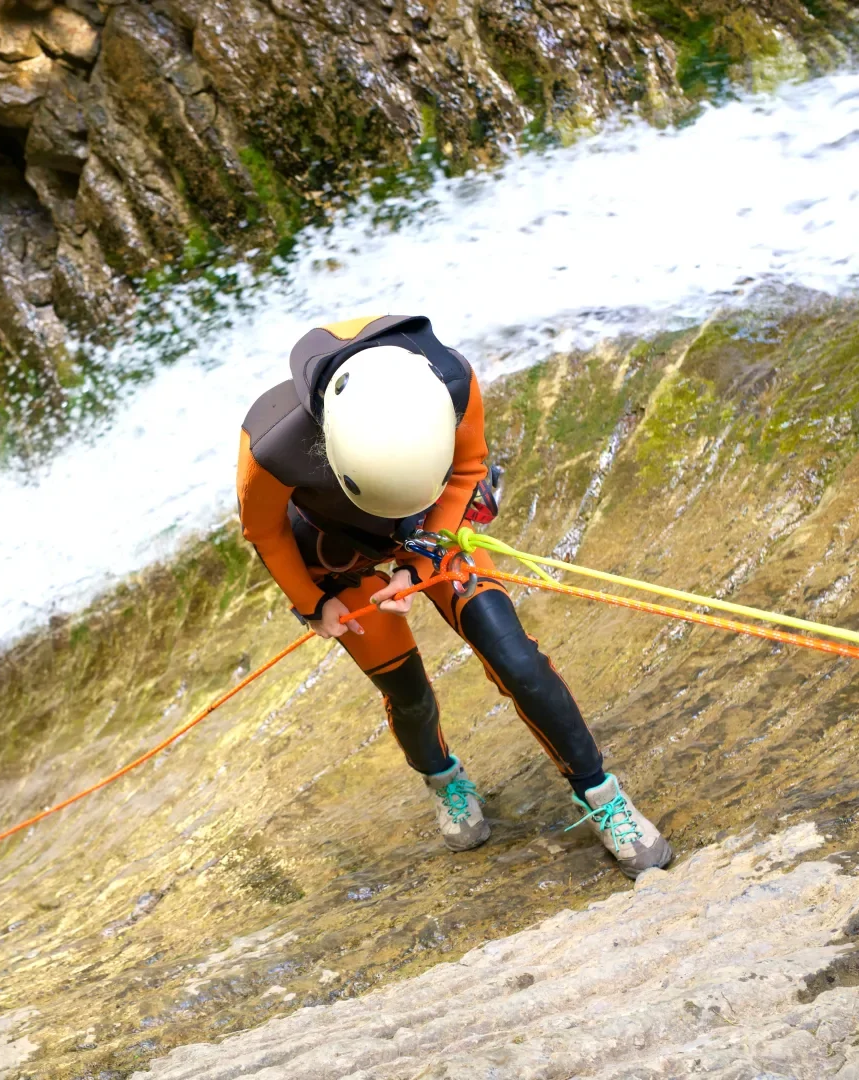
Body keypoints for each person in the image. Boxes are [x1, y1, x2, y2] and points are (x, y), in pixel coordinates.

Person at [235, 314, 672, 877]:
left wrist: (421, 557)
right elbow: (264, 530)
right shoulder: (271, 443)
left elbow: (466, 466)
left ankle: (601, 796)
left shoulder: (449, 379)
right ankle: (445, 780)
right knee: (407, 692)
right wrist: (313, 603)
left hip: (429, 522)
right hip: (334, 550)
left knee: (517, 658)